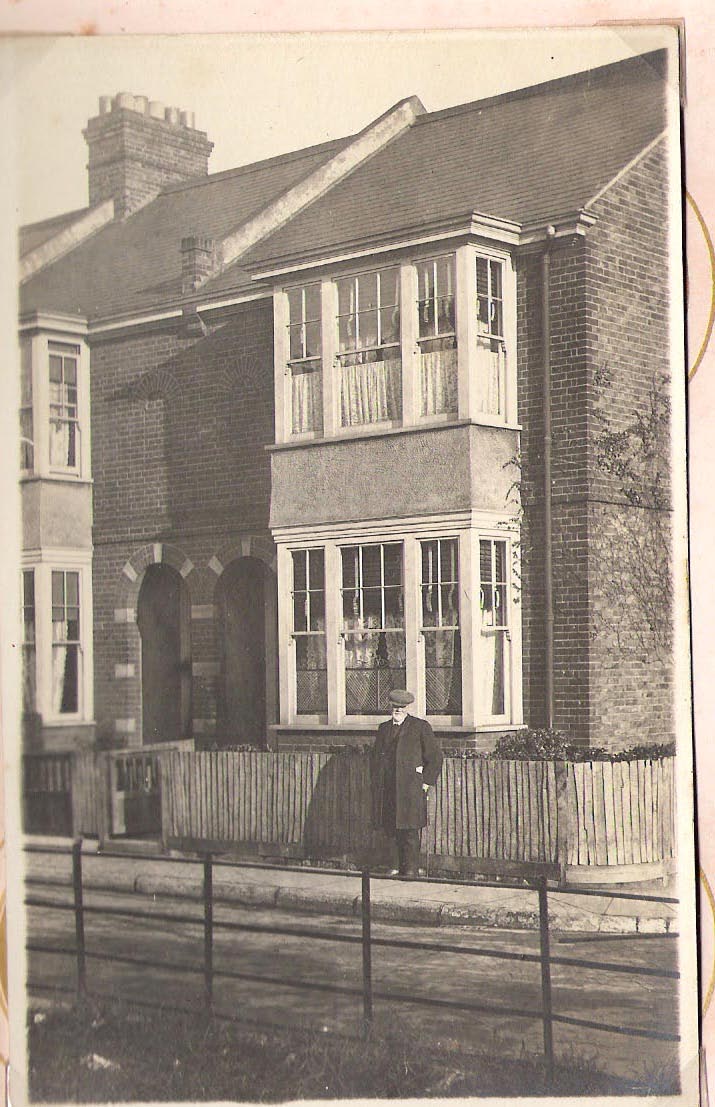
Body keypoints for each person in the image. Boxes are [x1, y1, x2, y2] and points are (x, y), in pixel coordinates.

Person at [371, 689, 443, 877]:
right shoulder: (384, 729)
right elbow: (376, 758)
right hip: (388, 788)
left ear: (408, 708)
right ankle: (394, 866)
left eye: (402, 707)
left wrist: (426, 783)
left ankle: (411, 868)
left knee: (410, 829)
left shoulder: (420, 727)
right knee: (391, 828)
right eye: (395, 707)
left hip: (410, 788)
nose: (398, 710)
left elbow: (435, 757)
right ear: (390, 707)